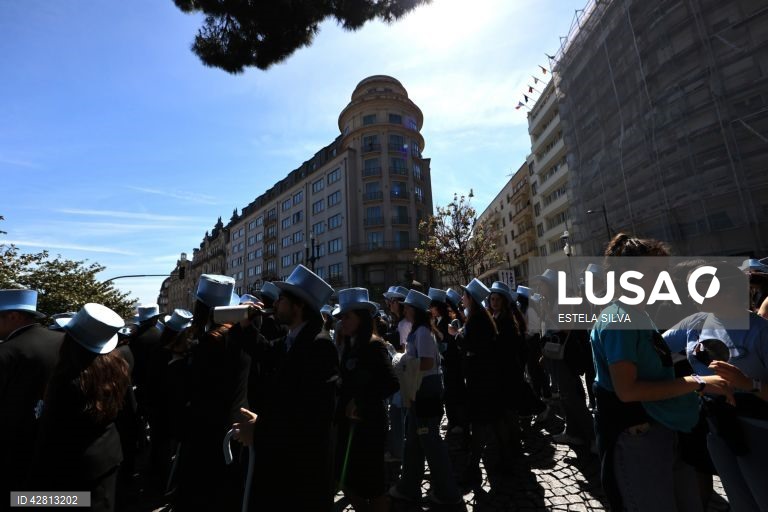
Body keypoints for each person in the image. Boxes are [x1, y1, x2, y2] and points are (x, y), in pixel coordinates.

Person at [590, 234, 733, 512]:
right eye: (655, 272)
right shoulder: (621, 318)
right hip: (637, 440)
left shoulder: (638, 315)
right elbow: (627, 390)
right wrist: (698, 381)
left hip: (659, 431)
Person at [663, 262, 768, 512]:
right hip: (716, 425)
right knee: (738, 496)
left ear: (730, 291)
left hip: (758, 427)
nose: (691, 294)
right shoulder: (695, 322)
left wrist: (747, 384)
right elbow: (653, 347)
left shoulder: (761, 332)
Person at [233, 265, 339, 511]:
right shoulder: (297, 337)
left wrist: (260, 430)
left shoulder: (319, 346)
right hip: (290, 462)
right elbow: (268, 352)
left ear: (298, 306)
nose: (276, 304)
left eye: (281, 299)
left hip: (304, 472)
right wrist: (246, 327)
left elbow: (312, 416)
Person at [30, 303, 130, 512]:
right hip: (107, 458)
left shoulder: (67, 380)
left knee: (23, 500)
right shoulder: (117, 367)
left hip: (71, 471)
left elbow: (50, 435)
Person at [175, 275, 250, 511]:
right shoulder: (240, 335)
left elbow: (194, 388)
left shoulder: (210, 342)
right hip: (233, 427)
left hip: (206, 431)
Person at [389, 289, 461, 506]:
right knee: (412, 441)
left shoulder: (421, 332)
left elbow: (427, 362)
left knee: (430, 442)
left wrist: (403, 363)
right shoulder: (417, 330)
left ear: (415, 310)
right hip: (419, 388)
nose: (405, 309)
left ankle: (448, 492)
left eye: (408, 307)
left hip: (425, 390)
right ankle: (409, 486)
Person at [333, 288, 399, 512]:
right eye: (341, 317)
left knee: (373, 485)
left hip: (369, 425)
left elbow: (391, 383)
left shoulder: (374, 345)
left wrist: (360, 401)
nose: (342, 321)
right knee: (347, 480)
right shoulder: (350, 345)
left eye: (347, 316)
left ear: (360, 318)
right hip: (350, 427)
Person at [0, 289, 64, 506]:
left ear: (14, 316)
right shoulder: (64, 341)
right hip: (58, 441)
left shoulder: (7, 351)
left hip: (15, 450)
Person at [455, 278, 505, 490]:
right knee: (488, 422)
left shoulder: (477, 321)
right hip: (483, 379)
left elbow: (472, 345)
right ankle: (499, 460)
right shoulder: (479, 318)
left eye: (464, 295)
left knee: (481, 424)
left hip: (481, 381)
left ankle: (473, 467)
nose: (461, 299)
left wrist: (458, 338)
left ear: (471, 299)